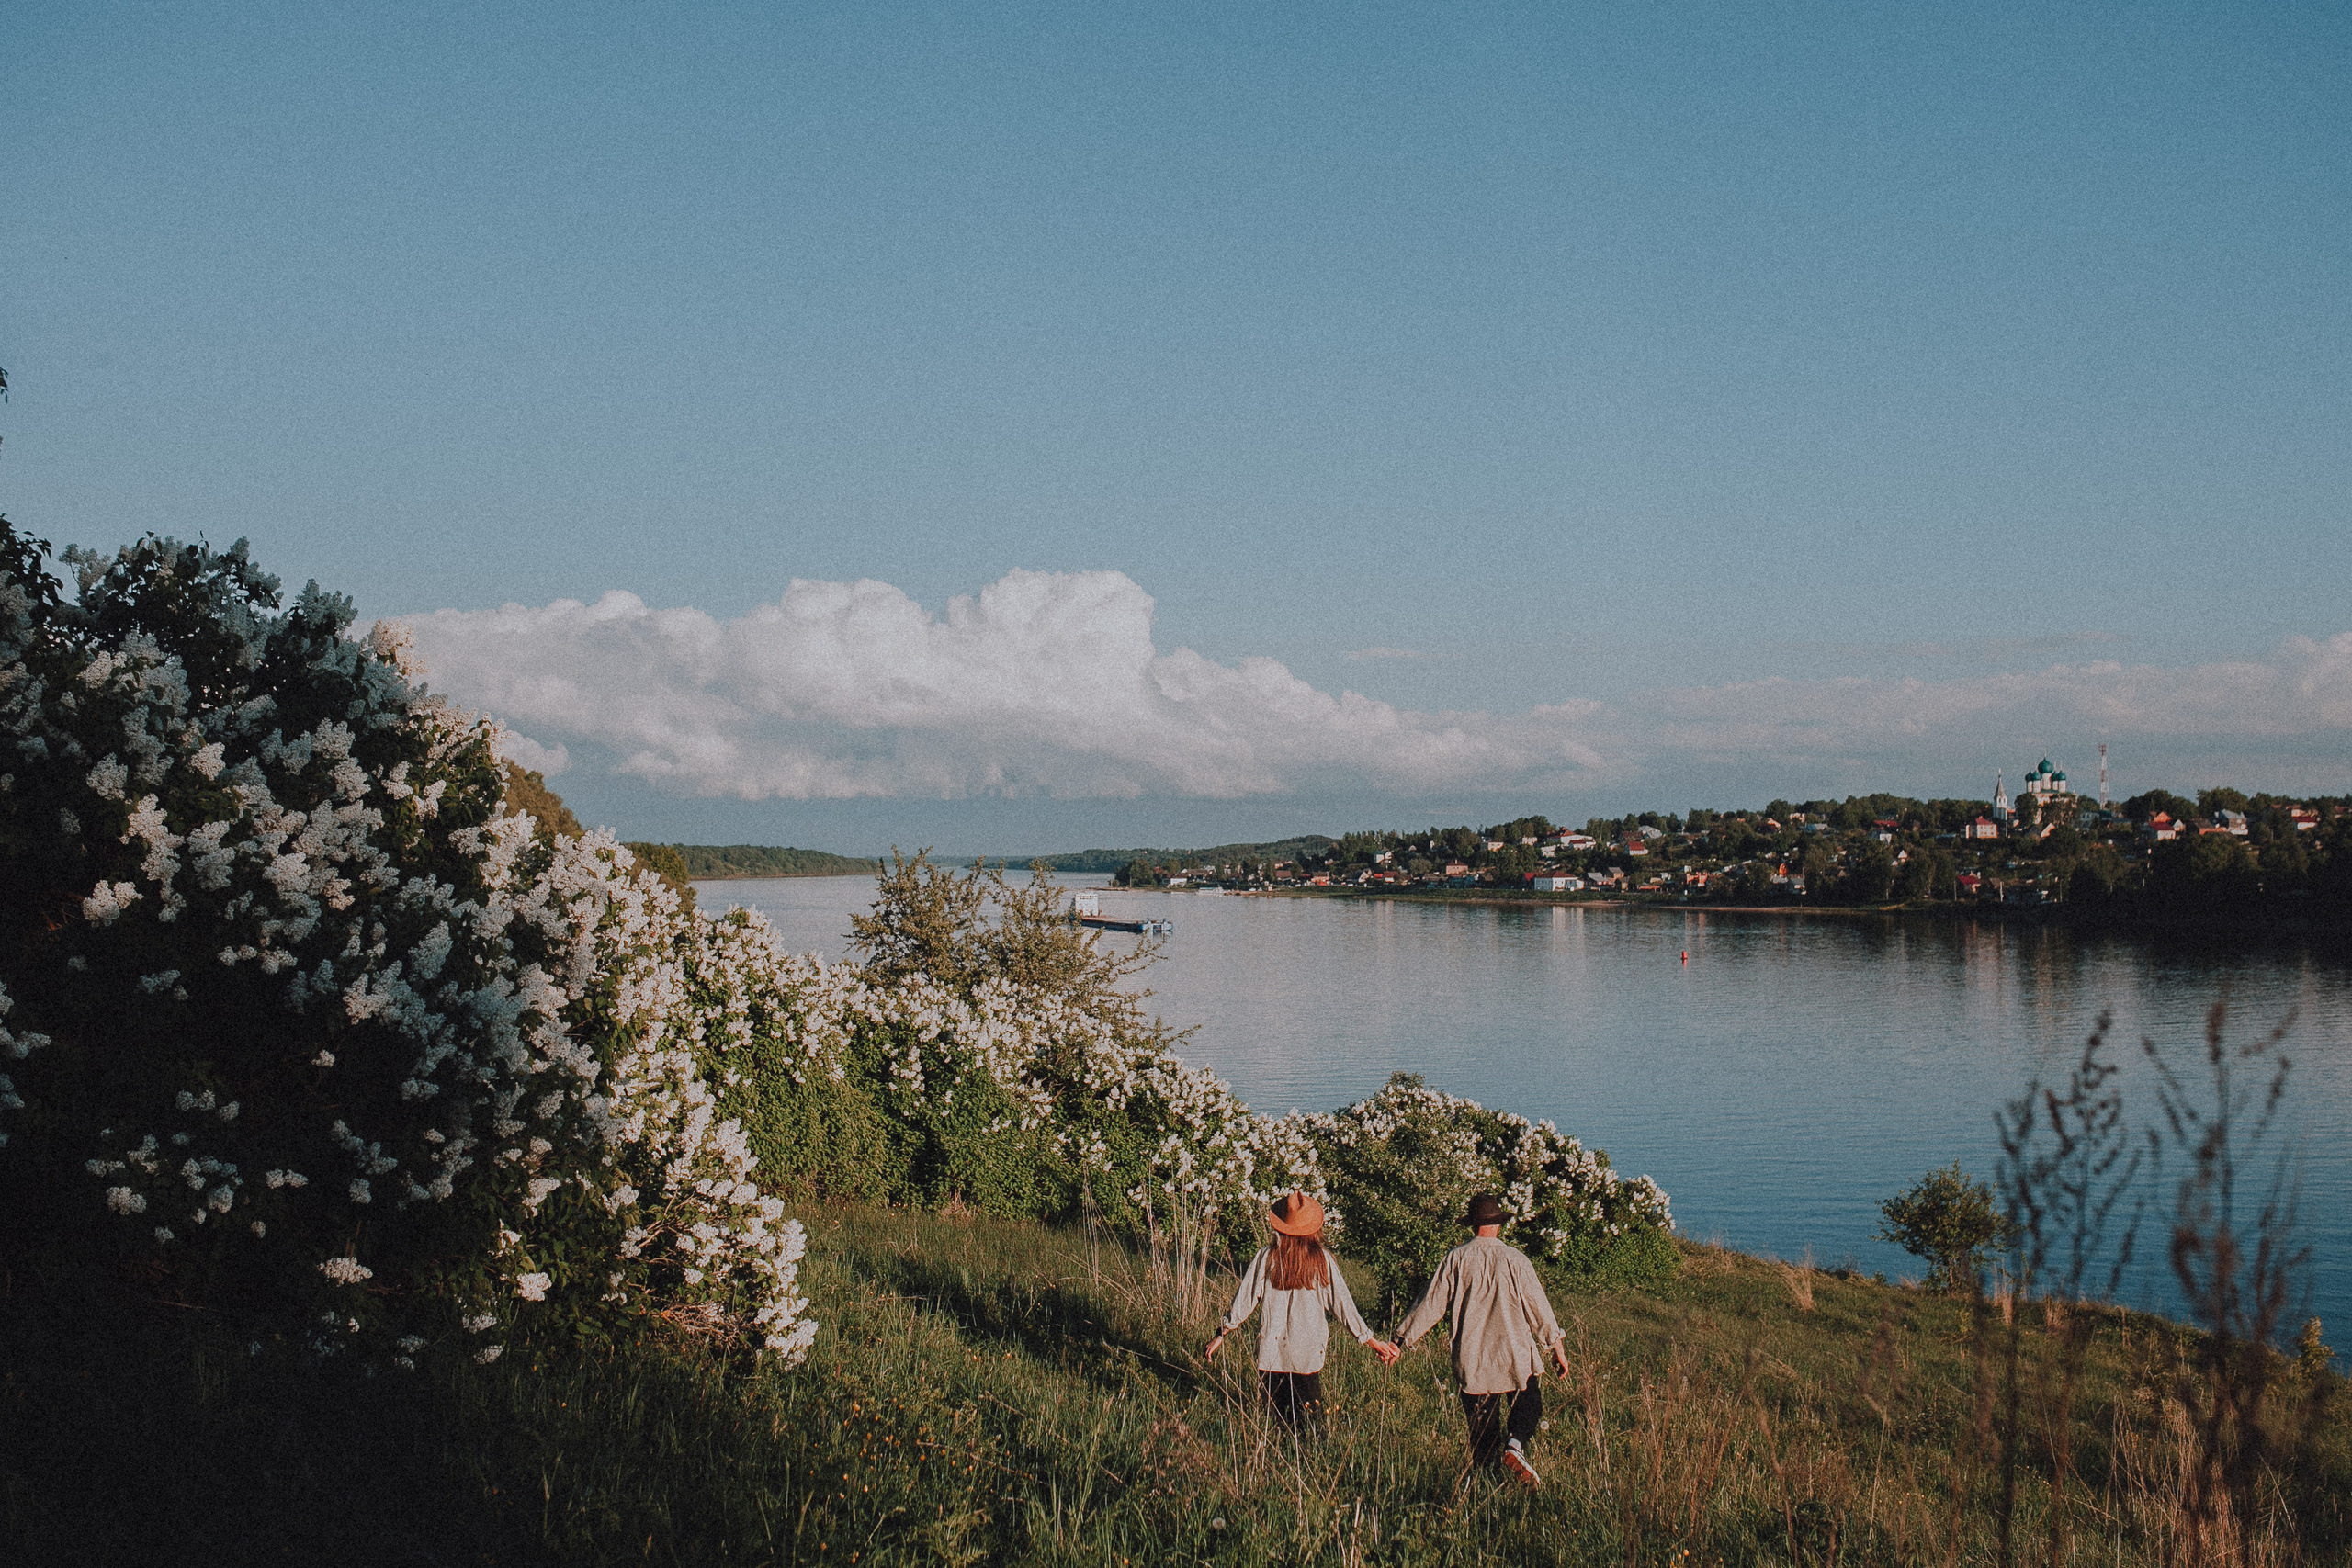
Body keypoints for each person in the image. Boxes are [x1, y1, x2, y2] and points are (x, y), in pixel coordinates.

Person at [1394, 1192, 1572, 1487]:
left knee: (1483, 1436)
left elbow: (1430, 1305)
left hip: (1473, 1358)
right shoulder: (1516, 1259)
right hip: (1515, 1356)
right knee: (1529, 1407)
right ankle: (1515, 1445)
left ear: (1472, 1225)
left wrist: (1400, 1340)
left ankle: (1489, 1489)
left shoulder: (1456, 1258)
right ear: (1499, 1224)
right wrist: (1557, 1348)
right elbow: (1539, 1308)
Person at [1205, 1191, 1399, 1428]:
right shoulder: (1322, 1261)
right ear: (1313, 1229)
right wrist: (1371, 1341)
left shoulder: (1267, 1257)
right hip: (1307, 1356)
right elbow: (1343, 1306)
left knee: (1274, 1427)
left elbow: (1243, 1301)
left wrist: (1221, 1333)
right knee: (1310, 1426)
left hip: (1271, 1354)